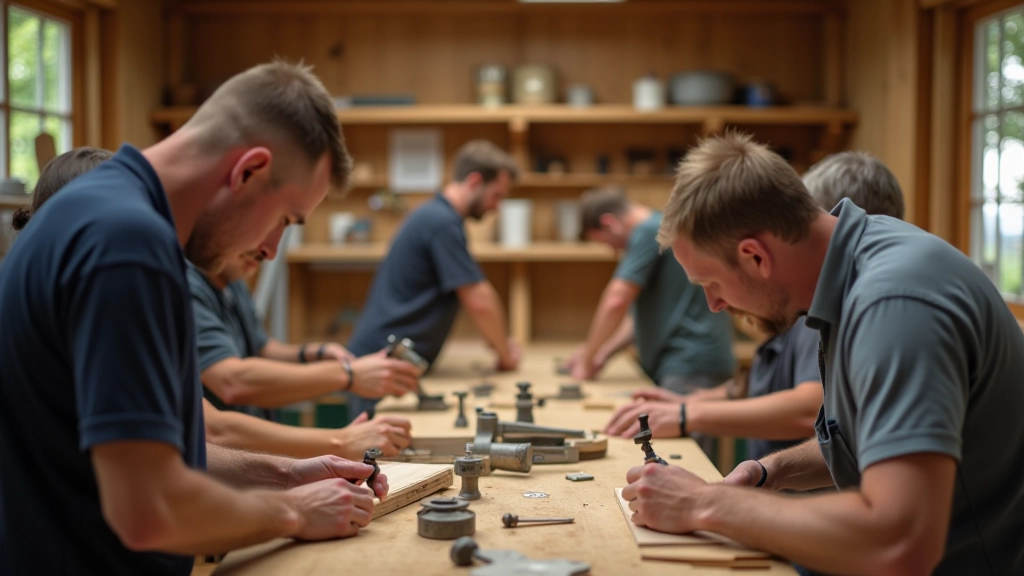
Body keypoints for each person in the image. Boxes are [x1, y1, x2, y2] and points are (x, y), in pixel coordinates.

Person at [0, 62, 391, 576]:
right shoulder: (125, 243)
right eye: (285, 220)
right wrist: (294, 511)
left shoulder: (100, 214)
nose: (271, 250)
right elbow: (148, 511)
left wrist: (287, 475)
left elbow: (157, 457)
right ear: (248, 170)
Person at [622, 133, 1024, 575]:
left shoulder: (892, 304)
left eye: (710, 284)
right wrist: (769, 471)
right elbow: (861, 442)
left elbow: (901, 540)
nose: (714, 305)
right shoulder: (854, 268)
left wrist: (704, 502)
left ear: (755, 256)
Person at [13, 146, 415, 461]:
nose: (267, 249)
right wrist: (339, 416)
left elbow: (201, 439)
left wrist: (319, 359)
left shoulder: (216, 277)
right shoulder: (150, 286)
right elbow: (216, 417)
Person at [605, 151, 905, 469]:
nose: (715, 305)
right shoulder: (806, 300)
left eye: (712, 282)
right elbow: (756, 388)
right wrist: (689, 404)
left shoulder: (842, 300)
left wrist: (687, 415)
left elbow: (811, 408)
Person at [345, 139, 522, 416]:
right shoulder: (442, 223)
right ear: (475, 182)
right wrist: (506, 355)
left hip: (389, 362)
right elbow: (479, 300)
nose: (496, 206)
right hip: (382, 365)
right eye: (496, 195)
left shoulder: (437, 216)